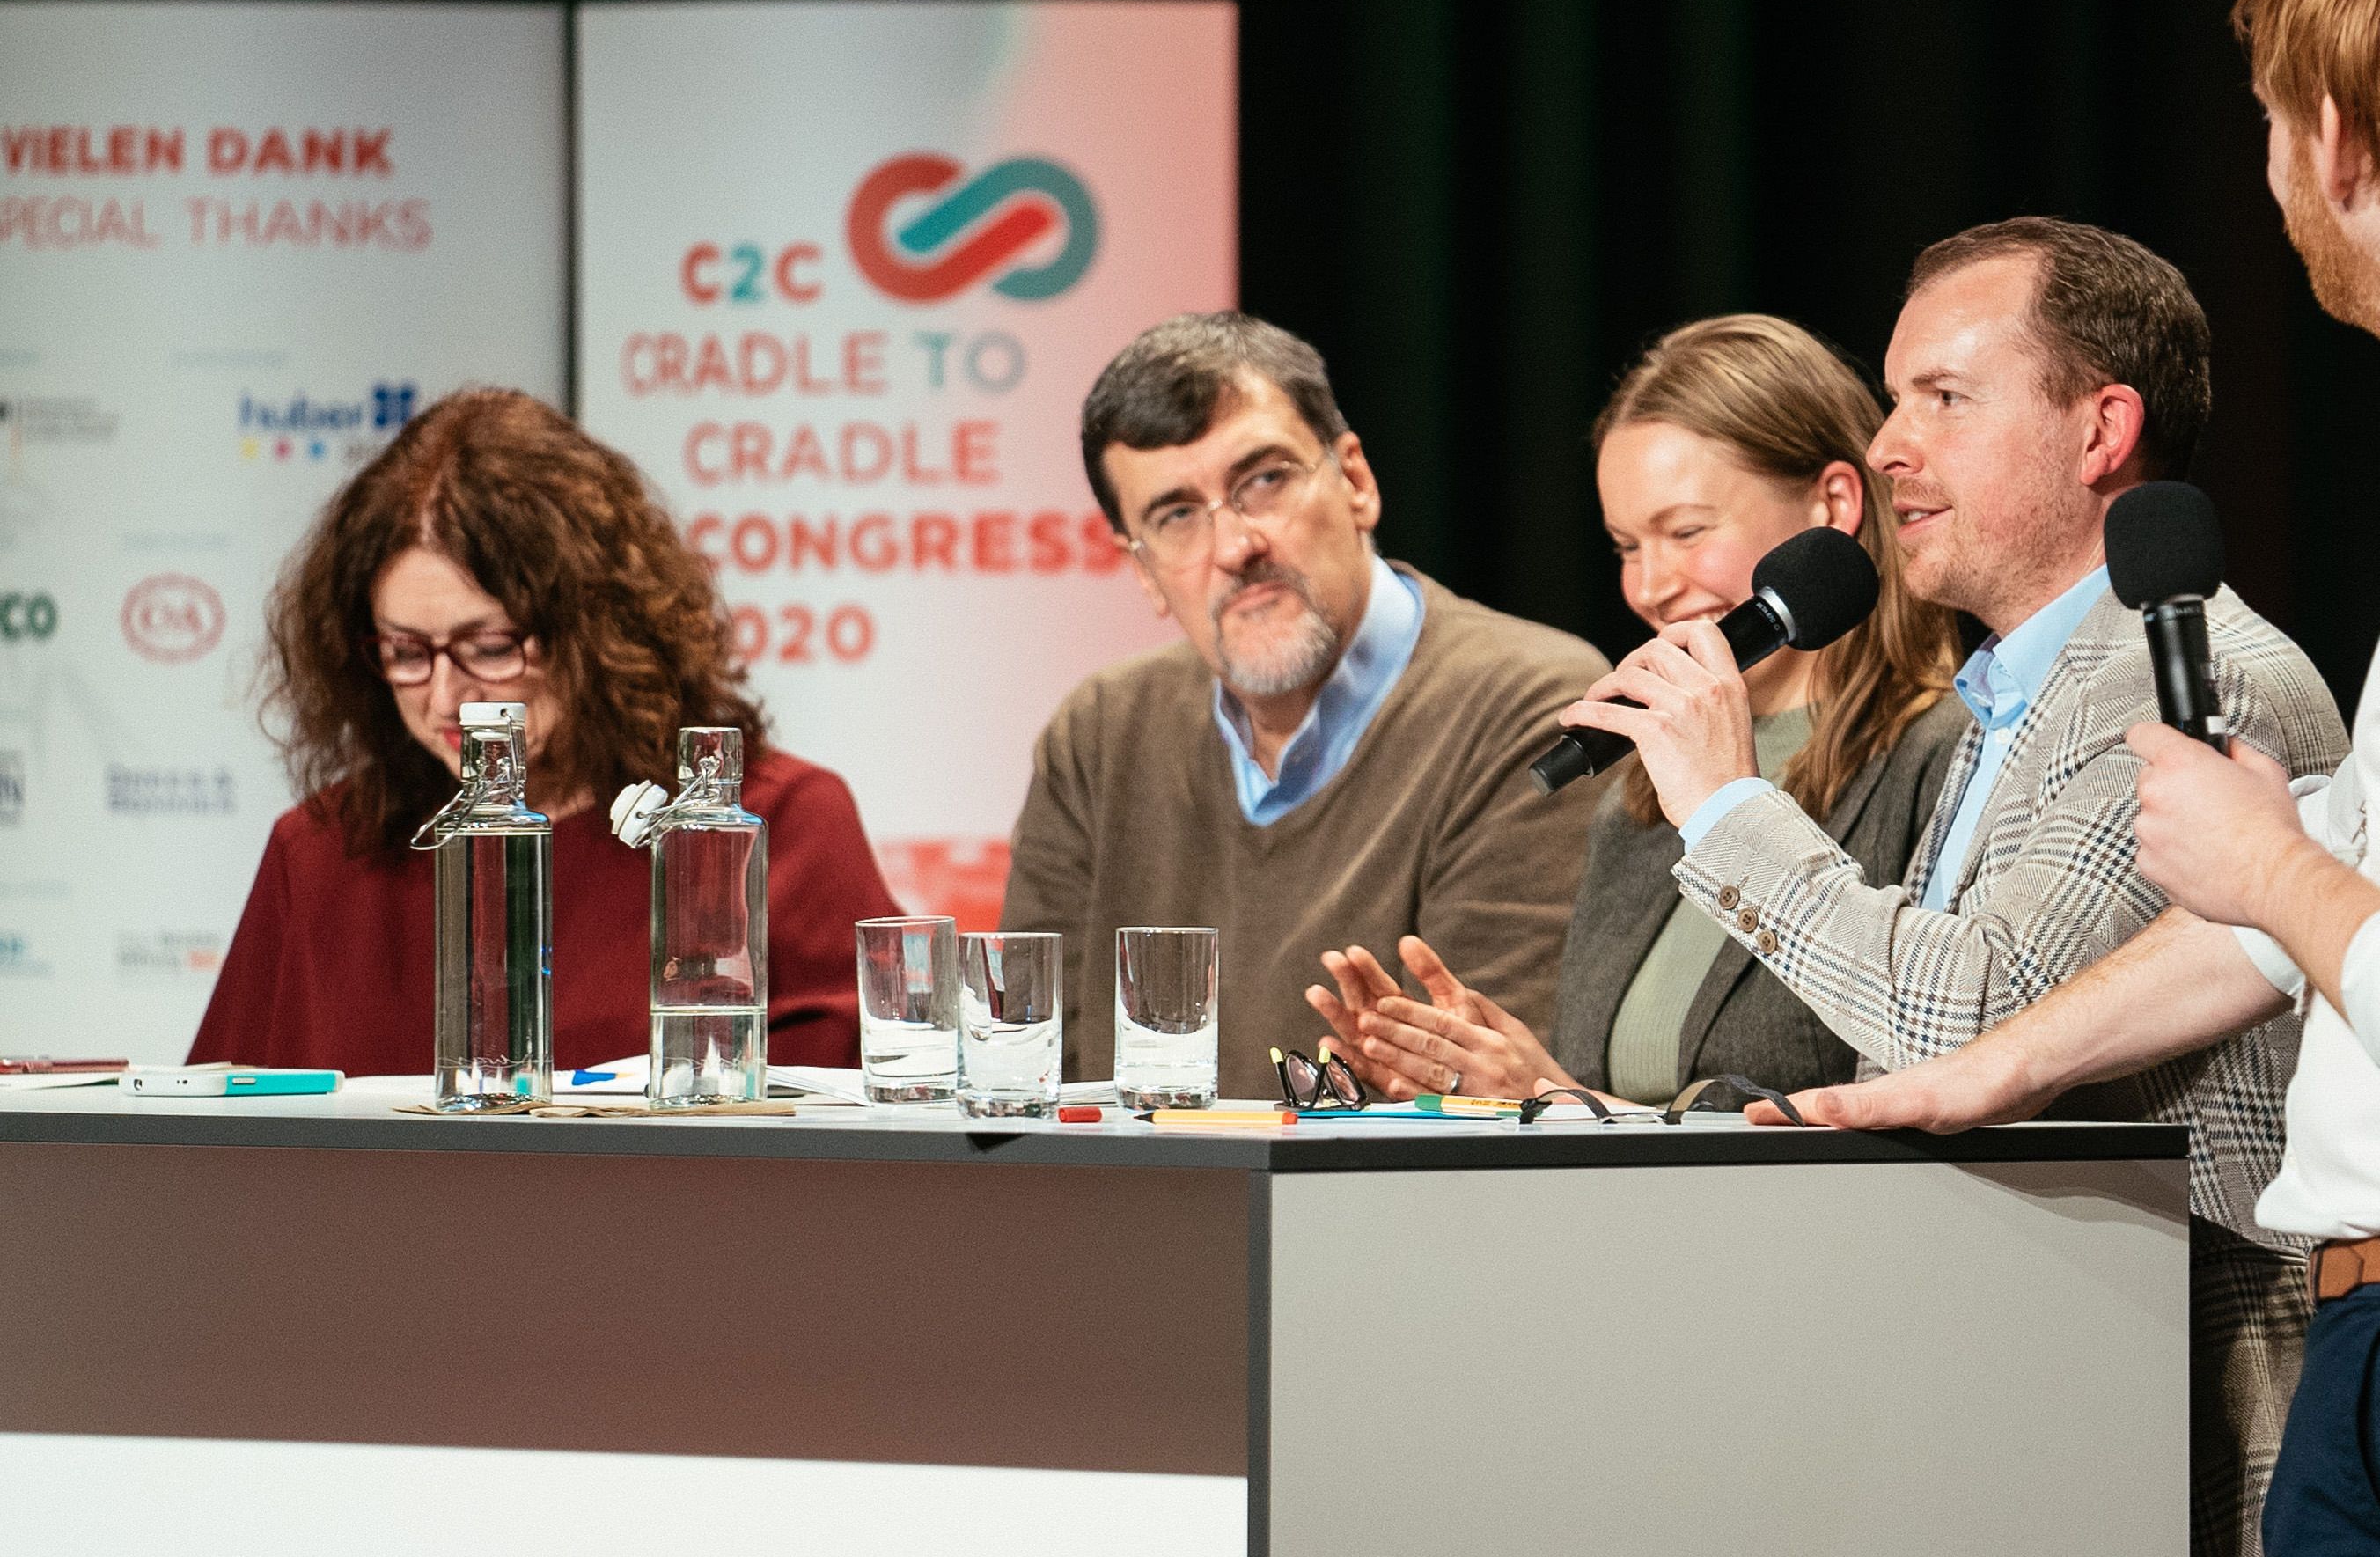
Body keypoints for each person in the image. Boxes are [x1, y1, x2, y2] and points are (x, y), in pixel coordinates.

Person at [1770, 0, 2380, 1553]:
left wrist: (2268, 860)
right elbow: (2320, 893)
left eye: (2268, 121)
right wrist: (1979, 1077)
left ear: (2338, 140)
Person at [1555, 220, 2349, 1557]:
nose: (1887, 447)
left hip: (2187, 1383)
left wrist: (1729, 807)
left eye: (1943, 397)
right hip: (2030, 1356)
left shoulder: (2192, 680)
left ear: (2101, 431)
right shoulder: (2017, 696)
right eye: (1892, 399)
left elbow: (1978, 1024)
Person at [1305, 314, 1965, 1103]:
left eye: (1685, 531)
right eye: (1626, 547)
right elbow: (1627, 1116)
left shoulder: (1943, 758)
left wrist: (1554, 1100)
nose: (1651, 587)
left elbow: (1910, 1097)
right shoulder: (1642, 798)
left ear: (1832, 503)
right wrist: (1525, 1085)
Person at [194, 389, 896, 1073]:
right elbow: (211, 1134)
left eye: (490, 647)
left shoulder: (778, 826)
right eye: (406, 652)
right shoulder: (320, 853)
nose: (448, 698)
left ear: (599, 629)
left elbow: (857, 1127)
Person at [1001, 311, 1608, 1093]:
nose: (1236, 547)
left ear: (1355, 481)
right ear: (1142, 569)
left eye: (1265, 481)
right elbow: (1034, 1076)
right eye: (1177, 516)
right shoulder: (1099, 734)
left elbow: (1477, 1096)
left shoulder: (1531, 705)